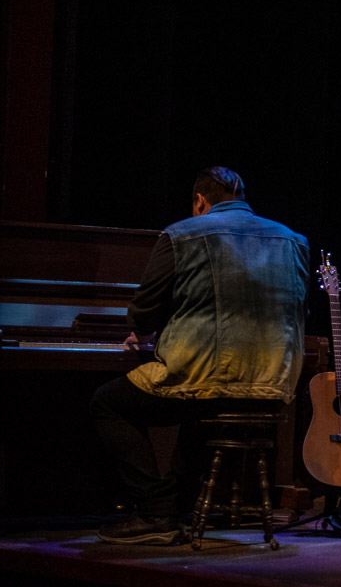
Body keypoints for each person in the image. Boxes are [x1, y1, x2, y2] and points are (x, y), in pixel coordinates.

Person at [90, 167, 309, 545]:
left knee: (107, 404)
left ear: (199, 201)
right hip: (273, 382)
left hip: (205, 377)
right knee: (199, 409)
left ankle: (155, 510)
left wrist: (149, 332)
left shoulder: (181, 233)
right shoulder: (294, 240)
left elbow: (143, 314)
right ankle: (183, 508)